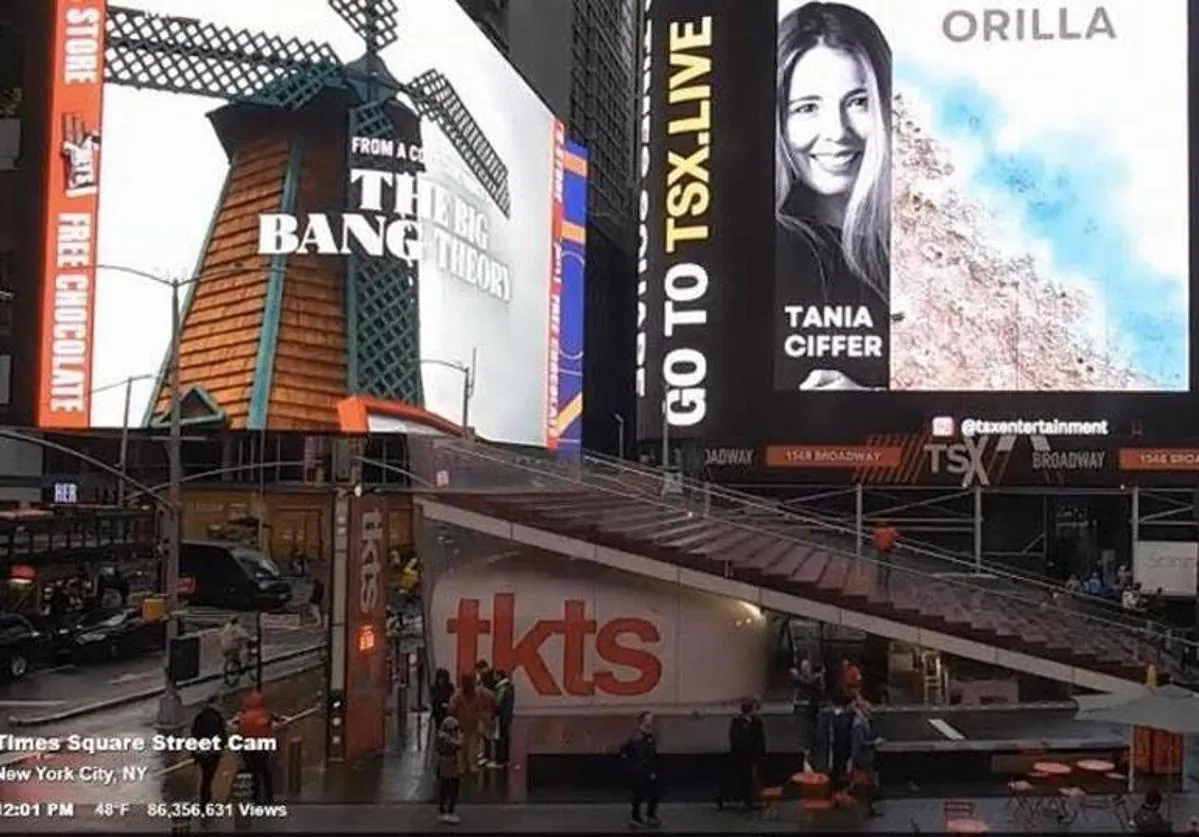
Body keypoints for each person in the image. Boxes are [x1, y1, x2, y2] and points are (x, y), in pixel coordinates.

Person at [775, 1, 892, 392]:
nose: (836, 132)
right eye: (807, 108)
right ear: (779, 122)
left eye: (859, 102)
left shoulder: (922, 250)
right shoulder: (779, 248)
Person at [720, 700, 766, 811]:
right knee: (742, 777)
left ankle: (752, 800)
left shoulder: (757, 722)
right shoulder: (737, 722)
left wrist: (761, 752)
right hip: (741, 755)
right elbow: (735, 738)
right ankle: (742, 799)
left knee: (753, 777)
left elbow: (761, 738)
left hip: (754, 755)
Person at [620, 711, 661, 829]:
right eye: (650, 719)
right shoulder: (638, 738)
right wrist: (648, 771)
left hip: (646, 769)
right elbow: (641, 756)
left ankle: (648, 816)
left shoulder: (649, 736)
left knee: (652, 794)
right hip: (641, 771)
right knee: (640, 794)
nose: (652, 722)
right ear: (643, 721)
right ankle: (637, 817)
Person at [448, 672, 494, 775]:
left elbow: (451, 708)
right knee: (472, 747)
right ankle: (471, 765)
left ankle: (462, 766)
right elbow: (481, 707)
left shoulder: (459, 694)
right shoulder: (474, 694)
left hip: (463, 724)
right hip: (471, 724)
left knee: (462, 747)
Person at [235, 692, 275, 803]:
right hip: (262, 745)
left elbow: (240, 731)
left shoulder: (244, 717)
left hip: (248, 746)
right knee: (265, 771)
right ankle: (269, 795)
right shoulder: (266, 714)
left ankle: (255, 796)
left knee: (252, 771)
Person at [190, 696, 226, 809]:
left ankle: (206, 799)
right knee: (208, 778)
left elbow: (194, 733)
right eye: (220, 703)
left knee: (205, 776)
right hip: (212, 752)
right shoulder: (217, 718)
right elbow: (222, 736)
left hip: (201, 751)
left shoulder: (199, 717)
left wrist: (194, 751)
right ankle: (205, 803)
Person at [849, 697, 881, 817]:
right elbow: (861, 743)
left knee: (867, 784)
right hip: (862, 758)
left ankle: (868, 808)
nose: (870, 711)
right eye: (868, 709)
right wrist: (875, 743)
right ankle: (867, 809)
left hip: (864, 757)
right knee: (867, 784)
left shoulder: (863, 721)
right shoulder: (858, 724)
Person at [790, 660, 824, 766]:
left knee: (814, 738)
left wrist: (796, 677)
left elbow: (808, 684)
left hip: (814, 713)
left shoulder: (815, 679)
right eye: (803, 669)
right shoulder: (801, 684)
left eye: (806, 668)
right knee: (804, 738)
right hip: (804, 715)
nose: (805, 671)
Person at [435, 716, 464, 824]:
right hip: (449, 764)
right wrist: (460, 737)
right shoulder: (445, 737)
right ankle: (448, 811)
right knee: (451, 787)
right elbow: (459, 744)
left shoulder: (441, 735)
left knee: (445, 786)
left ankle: (444, 809)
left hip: (446, 763)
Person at [492, 669, 515, 767]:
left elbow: (498, 703)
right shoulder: (509, 687)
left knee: (500, 738)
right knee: (505, 738)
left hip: (501, 716)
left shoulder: (502, 688)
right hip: (507, 716)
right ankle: (505, 759)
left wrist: (493, 711)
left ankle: (499, 761)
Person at [431, 668, 455, 734]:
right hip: (437, 711)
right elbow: (433, 699)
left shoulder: (450, 686)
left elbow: (452, 697)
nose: (441, 680)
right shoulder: (435, 687)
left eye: (442, 678)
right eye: (439, 678)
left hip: (446, 710)